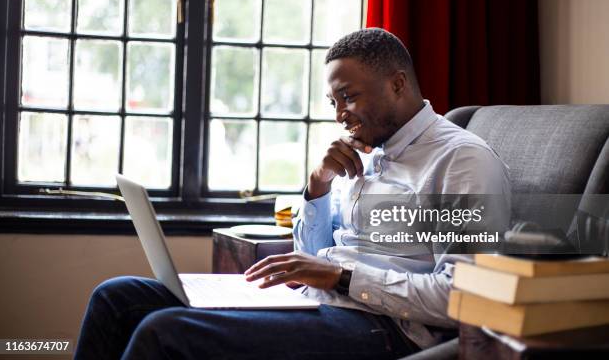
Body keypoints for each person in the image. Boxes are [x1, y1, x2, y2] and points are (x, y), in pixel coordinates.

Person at [74, 28, 510, 359]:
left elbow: (464, 298)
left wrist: (340, 277)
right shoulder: (366, 151)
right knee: (117, 297)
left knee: (165, 332)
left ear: (397, 84)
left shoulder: (462, 161)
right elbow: (314, 251)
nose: (340, 115)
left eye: (348, 97)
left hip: (387, 328)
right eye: (332, 101)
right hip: (318, 302)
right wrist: (317, 188)